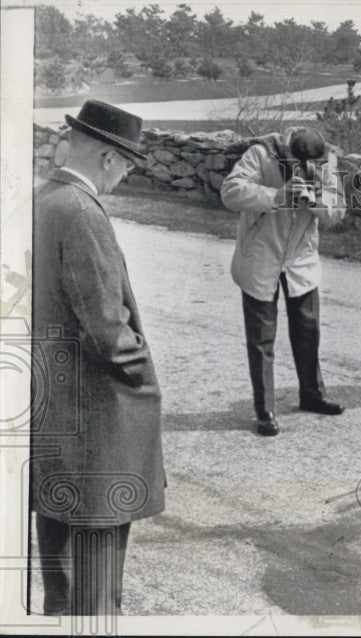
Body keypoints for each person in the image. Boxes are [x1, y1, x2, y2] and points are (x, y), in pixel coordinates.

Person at [31, 100, 166, 616]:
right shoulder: (84, 214)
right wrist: (145, 377)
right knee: (97, 594)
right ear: (109, 158)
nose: (126, 175)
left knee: (61, 587)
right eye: (127, 164)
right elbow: (110, 332)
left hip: (55, 421)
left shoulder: (45, 200)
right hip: (97, 430)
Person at [221, 126, 347, 436]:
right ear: (288, 152)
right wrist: (276, 195)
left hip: (301, 261)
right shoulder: (261, 154)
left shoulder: (326, 160)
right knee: (262, 339)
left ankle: (312, 395)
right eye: (299, 164)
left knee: (308, 330)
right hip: (261, 256)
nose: (306, 170)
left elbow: (336, 211)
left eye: (312, 166)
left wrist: (315, 199)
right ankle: (265, 410)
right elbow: (230, 191)